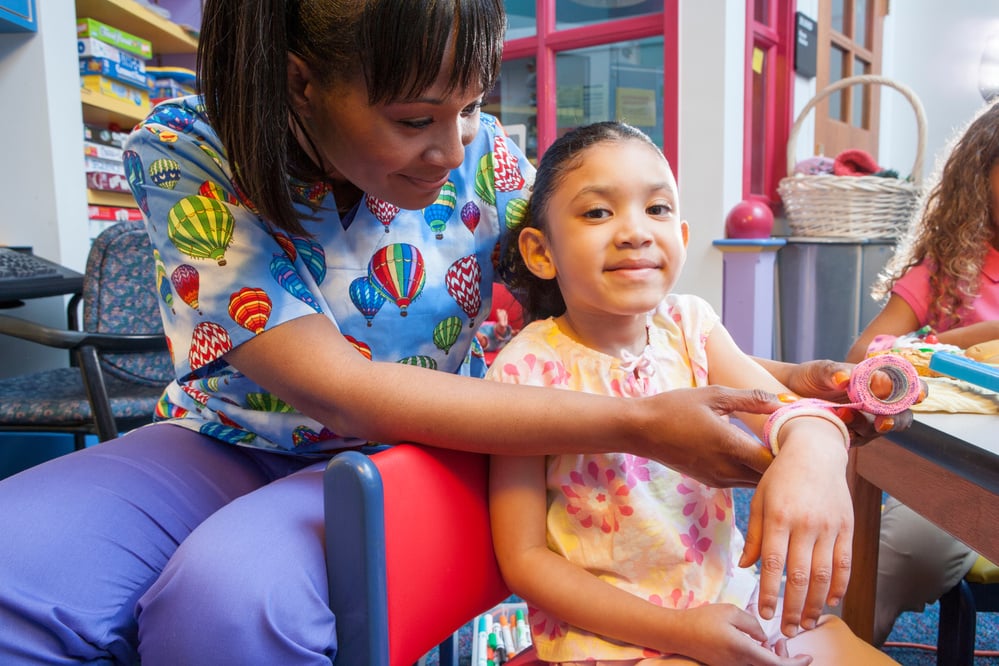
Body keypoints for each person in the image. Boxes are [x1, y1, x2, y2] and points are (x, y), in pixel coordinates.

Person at [0, 2, 909, 663]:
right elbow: (333, 384)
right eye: (413, 119)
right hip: (229, 436)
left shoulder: (489, 158)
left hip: (429, 447)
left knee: (226, 606)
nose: (455, 146)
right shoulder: (188, 147)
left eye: (472, 106)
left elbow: (624, 310)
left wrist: (800, 399)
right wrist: (638, 424)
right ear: (298, 82)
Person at [487, 121, 899, 665]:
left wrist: (812, 445)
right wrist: (677, 632)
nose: (635, 231)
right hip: (610, 637)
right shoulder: (524, 370)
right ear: (542, 252)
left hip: (732, 606)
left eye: (656, 209)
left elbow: (784, 411)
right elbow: (524, 559)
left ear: (680, 238)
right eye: (597, 212)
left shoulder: (690, 325)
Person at [846, 99, 999, 646]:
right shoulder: (947, 268)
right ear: (980, 178)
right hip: (959, 474)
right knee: (912, 552)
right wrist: (973, 340)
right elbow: (865, 354)